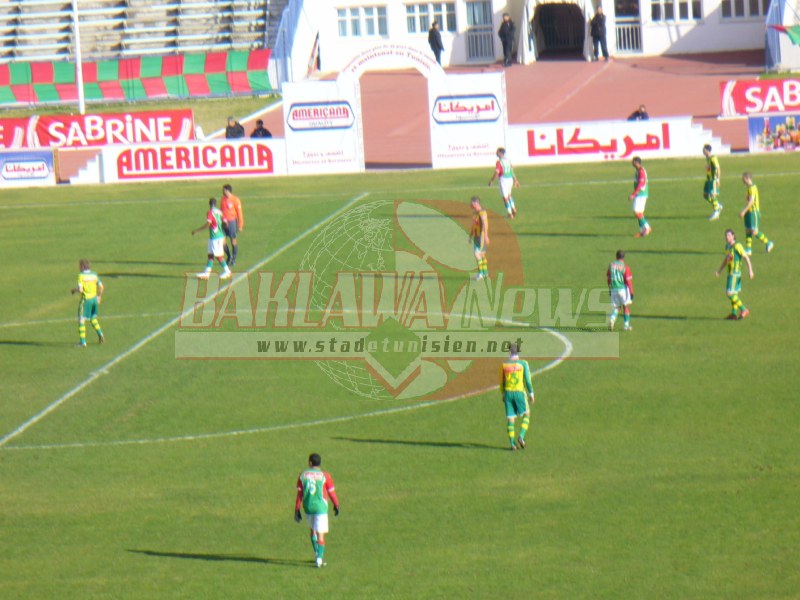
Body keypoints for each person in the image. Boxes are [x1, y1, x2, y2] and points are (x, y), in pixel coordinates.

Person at [295, 453, 340, 568]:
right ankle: (319, 559)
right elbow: (331, 492)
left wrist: (297, 509)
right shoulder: (325, 475)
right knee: (321, 535)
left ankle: (316, 553)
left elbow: (299, 494)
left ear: (310, 463)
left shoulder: (302, 475)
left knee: (313, 531)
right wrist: (336, 505)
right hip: (321, 508)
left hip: (308, 507)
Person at [500, 343, 534, 451]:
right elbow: (528, 381)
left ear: (509, 352)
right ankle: (521, 436)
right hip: (519, 393)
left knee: (511, 419)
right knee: (527, 414)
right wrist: (531, 393)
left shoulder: (504, 365)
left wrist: (503, 394)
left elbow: (501, 382)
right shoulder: (523, 363)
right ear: (518, 352)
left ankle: (512, 444)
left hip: (508, 393)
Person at [715, 229, 754, 320]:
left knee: (729, 293)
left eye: (728, 235)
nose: (726, 237)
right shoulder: (727, 247)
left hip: (735, 274)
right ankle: (733, 314)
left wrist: (750, 270)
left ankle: (744, 309)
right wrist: (719, 270)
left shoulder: (738, 246)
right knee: (734, 294)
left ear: (733, 236)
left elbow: (746, 258)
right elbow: (727, 259)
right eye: (726, 235)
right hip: (730, 273)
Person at [191, 197, 232, 280]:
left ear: (209, 204)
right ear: (215, 204)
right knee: (210, 255)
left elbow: (208, 224)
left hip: (215, 238)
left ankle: (227, 271)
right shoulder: (220, 212)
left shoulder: (210, 212)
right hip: (216, 237)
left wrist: (197, 231)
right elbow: (226, 223)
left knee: (218, 256)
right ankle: (207, 273)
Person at [70, 259, 104, 348]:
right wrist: (99, 297)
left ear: (82, 266)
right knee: (93, 318)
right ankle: (100, 333)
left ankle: (83, 342)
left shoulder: (81, 276)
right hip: (94, 300)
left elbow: (80, 289)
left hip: (86, 300)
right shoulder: (94, 274)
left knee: (81, 320)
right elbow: (101, 286)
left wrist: (74, 290)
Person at [739, 172, 774, 255]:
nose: (743, 181)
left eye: (743, 179)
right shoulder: (749, 188)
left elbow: (751, 202)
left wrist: (743, 211)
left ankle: (768, 243)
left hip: (753, 212)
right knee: (747, 230)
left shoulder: (752, 188)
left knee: (754, 231)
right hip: (749, 211)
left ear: (747, 179)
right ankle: (748, 249)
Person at [488, 146, 520, 218]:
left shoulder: (499, 162)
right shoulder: (508, 160)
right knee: (509, 195)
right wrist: (515, 180)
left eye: (497, 152)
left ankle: (510, 213)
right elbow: (511, 170)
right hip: (510, 179)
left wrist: (491, 181)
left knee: (505, 197)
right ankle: (513, 208)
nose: (496, 153)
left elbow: (497, 172)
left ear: (500, 153)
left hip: (503, 179)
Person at [607, 250, 634, 331]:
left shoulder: (611, 265)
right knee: (626, 306)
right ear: (623, 257)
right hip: (622, 288)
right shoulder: (625, 267)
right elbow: (628, 281)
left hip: (613, 288)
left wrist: (609, 288)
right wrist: (631, 292)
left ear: (616, 256)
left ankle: (612, 319)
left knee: (617, 307)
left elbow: (608, 278)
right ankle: (626, 325)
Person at [219, 184, 244, 266]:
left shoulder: (235, 200)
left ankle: (234, 258)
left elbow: (239, 213)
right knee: (222, 242)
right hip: (223, 223)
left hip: (232, 222)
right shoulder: (222, 199)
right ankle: (229, 256)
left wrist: (240, 225)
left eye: (224, 190)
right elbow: (221, 211)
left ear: (227, 190)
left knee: (233, 241)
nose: (223, 191)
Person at [629, 156, 652, 238]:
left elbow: (641, 184)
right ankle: (642, 231)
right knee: (640, 213)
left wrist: (633, 194)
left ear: (636, 162)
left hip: (641, 194)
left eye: (633, 161)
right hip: (640, 194)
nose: (632, 163)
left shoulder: (641, 171)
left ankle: (647, 227)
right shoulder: (638, 171)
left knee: (636, 212)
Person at [469, 196, 490, 280]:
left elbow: (485, 224)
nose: (470, 204)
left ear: (475, 203)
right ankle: (485, 272)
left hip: (481, 236)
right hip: (476, 236)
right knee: (482, 254)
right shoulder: (475, 213)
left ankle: (480, 273)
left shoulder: (482, 212)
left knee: (477, 254)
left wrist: (485, 236)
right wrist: (470, 236)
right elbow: (474, 225)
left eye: (471, 203)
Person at [703, 144, 723, 221]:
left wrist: (718, 179)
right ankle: (718, 205)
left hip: (713, 180)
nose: (703, 152)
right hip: (708, 179)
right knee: (705, 195)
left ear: (708, 150)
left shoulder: (713, 158)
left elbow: (718, 168)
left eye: (704, 150)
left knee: (713, 195)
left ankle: (716, 212)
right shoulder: (707, 158)